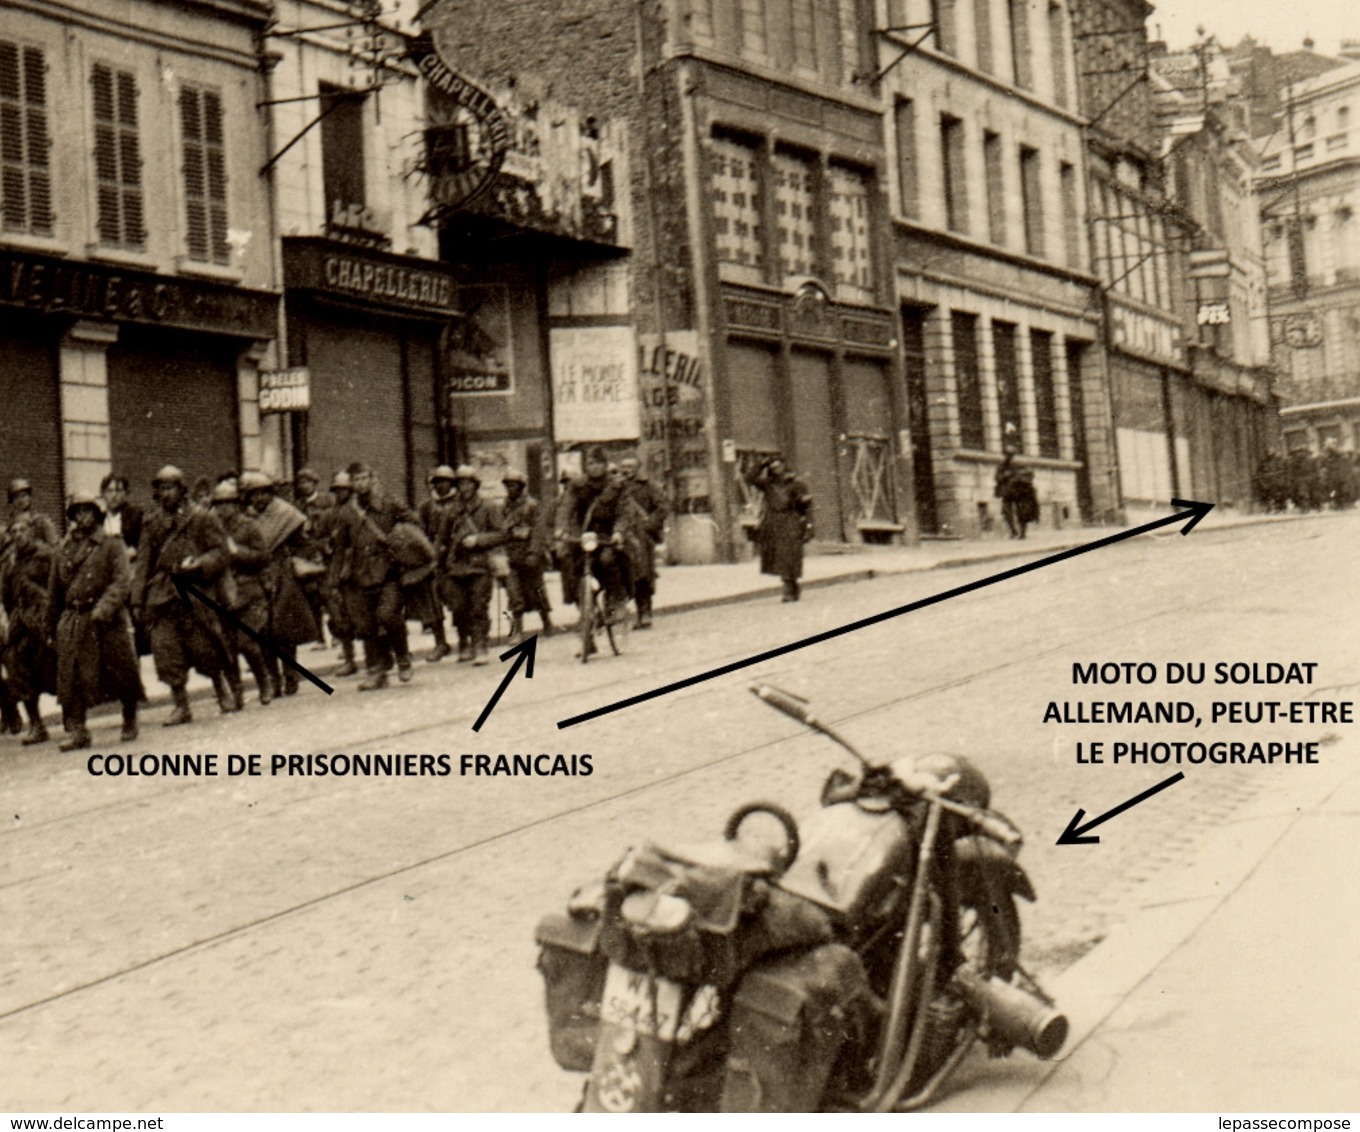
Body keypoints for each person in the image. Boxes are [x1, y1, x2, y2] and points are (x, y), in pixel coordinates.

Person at [132, 464, 235, 725]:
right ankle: (181, 704)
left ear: (181, 489)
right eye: (162, 489)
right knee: (165, 649)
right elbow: (143, 562)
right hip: (162, 594)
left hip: (193, 589)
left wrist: (199, 564)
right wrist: (137, 600)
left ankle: (221, 689)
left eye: (171, 488)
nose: (166, 494)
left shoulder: (201, 517)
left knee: (204, 645)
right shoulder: (151, 522)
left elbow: (221, 552)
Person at [49, 493, 143, 749]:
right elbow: (55, 591)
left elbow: (122, 581)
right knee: (72, 676)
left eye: (88, 511)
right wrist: (51, 626)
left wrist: (104, 609)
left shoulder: (111, 544)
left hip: (106, 620)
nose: (83, 517)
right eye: (78, 512)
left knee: (121, 671)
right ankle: (79, 731)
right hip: (74, 619)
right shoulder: (64, 549)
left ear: (97, 514)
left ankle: (129, 716)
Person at [330, 463, 418, 690]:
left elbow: (414, 523)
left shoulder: (389, 504)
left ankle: (402, 656)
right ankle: (375, 670)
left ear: (371, 478)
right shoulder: (346, 512)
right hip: (360, 576)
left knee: (388, 615)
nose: (360, 484)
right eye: (355, 480)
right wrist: (333, 581)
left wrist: (399, 537)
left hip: (389, 573)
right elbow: (340, 549)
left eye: (363, 478)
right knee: (366, 625)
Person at [240, 472, 319, 697]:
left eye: (264, 493)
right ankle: (272, 678)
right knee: (263, 631)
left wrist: (298, 556)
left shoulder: (285, 514)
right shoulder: (247, 519)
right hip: (258, 576)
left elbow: (304, 544)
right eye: (254, 495)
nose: (259, 499)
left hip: (282, 574)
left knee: (285, 628)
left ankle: (290, 675)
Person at [210, 480, 275, 706]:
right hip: (223, 594)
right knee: (226, 646)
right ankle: (236, 692)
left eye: (226, 504)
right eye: (218, 505)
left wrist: (236, 552)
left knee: (247, 643)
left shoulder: (248, 526)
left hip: (249, 592)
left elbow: (263, 557)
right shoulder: (211, 528)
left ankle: (264, 682)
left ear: (236, 505)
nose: (222, 509)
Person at [433, 465, 505, 665]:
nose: (464, 487)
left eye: (468, 483)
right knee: (458, 607)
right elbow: (442, 539)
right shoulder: (451, 510)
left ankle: (480, 644)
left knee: (478, 606)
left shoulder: (488, 507)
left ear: (475, 485)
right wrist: (438, 561)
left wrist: (478, 540)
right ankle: (464, 642)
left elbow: (501, 534)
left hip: (479, 565)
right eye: (461, 484)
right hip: (456, 566)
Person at [1, 516, 57, 744]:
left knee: (56, 668)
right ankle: (36, 723)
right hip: (21, 623)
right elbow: (6, 595)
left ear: (32, 533)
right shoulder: (10, 562)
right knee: (16, 664)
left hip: (44, 620)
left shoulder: (46, 556)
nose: (18, 535)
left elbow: (57, 587)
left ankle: (74, 719)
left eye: (23, 530)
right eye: (14, 532)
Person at [745, 454, 813, 602]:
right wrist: (762, 463)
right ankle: (791, 584)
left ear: (785, 465)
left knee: (788, 554)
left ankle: (788, 588)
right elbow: (749, 478)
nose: (777, 469)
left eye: (779, 465)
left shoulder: (797, 484)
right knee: (780, 557)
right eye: (773, 467)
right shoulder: (768, 484)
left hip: (791, 520)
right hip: (774, 522)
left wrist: (809, 526)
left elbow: (807, 507)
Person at [498, 467, 553, 642]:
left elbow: (538, 531)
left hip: (529, 555)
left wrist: (534, 553)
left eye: (514, 486)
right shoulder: (502, 508)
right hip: (511, 556)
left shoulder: (532, 505)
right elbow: (499, 531)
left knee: (537, 591)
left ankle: (546, 621)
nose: (510, 489)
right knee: (514, 595)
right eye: (508, 486)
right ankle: (517, 631)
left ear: (521, 487)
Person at [316, 470, 359, 677]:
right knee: (338, 615)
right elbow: (317, 538)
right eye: (337, 490)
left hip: (358, 569)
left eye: (344, 490)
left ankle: (382, 656)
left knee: (363, 613)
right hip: (334, 569)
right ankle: (349, 657)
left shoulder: (358, 511)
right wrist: (326, 545)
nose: (340, 493)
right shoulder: (328, 515)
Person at [619, 456, 668, 629]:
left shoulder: (648, 486)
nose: (626, 469)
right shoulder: (617, 486)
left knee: (643, 575)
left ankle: (644, 611)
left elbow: (662, 507)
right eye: (624, 466)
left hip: (641, 535)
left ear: (638, 468)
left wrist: (649, 524)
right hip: (621, 535)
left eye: (630, 466)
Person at [417, 465, 458, 662]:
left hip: (456, 556)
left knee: (458, 600)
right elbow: (420, 530)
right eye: (437, 482)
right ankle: (440, 642)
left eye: (445, 481)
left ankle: (466, 640)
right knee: (432, 601)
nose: (441, 485)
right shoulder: (426, 507)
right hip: (434, 559)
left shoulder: (459, 503)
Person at [289, 467, 332, 646]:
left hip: (324, 553)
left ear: (315, 483)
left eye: (307, 482)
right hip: (306, 554)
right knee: (311, 596)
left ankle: (339, 635)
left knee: (329, 596)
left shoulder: (326, 501)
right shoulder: (297, 505)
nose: (304, 486)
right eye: (301, 482)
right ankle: (319, 636)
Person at [994, 448, 1038, 539]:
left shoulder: (1020, 464)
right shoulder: (1001, 466)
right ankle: (1013, 531)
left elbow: (1030, 474)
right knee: (1006, 512)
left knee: (1022, 512)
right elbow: (997, 478)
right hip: (1007, 492)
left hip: (1019, 491)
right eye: (1007, 454)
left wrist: (1018, 477)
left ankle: (1022, 533)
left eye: (1011, 454)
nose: (1009, 456)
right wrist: (1005, 476)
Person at [5, 479, 58, 551]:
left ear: (29, 497)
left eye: (23, 496)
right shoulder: (11, 526)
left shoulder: (42, 521)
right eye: (16, 497)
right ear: (12, 501)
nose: (20, 500)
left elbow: (54, 548)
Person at [100, 474, 143, 559]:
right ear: (103, 494)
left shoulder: (135, 516)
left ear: (126, 493)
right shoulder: (99, 519)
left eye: (119, 491)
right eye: (110, 491)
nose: (114, 495)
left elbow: (140, 546)